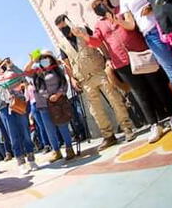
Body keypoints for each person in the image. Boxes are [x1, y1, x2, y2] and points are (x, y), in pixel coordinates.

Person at [74, 0, 172, 143]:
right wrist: (83, 36)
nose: (97, 7)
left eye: (99, 3)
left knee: (158, 85)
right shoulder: (99, 24)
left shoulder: (121, 10)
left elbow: (131, 26)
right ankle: (154, 124)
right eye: (94, 6)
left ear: (106, 0)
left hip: (140, 52)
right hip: (122, 62)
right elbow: (97, 41)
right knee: (141, 94)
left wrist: (115, 19)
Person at [110, 0, 172, 130]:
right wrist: (118, 21)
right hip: (151, 34)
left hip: (167, 22)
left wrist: (152, 5)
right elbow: (131, 24)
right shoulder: (124, 0)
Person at [55, 14, 137, 149]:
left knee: (115, 99)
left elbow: (99, 43)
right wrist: (72, 79)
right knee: (95, 110)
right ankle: (108, 136)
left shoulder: (83, 29)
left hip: (99, 70)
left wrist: (108, 58)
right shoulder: (62, 44)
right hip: (84, 78)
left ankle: (127, 128)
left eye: (64, 27)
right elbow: (67, 62)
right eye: (60, 29)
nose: (63, 30)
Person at [0, 58, 37, 174]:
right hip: (4, 108)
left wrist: (12, 65)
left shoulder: (12, 73)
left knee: (25, 132)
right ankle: (21, 162)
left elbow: (23, 76)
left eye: (0, 65)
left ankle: (31, 159)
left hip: (18, 104)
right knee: (13, 135)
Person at [25, 51, 77, 162]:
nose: (44, 60)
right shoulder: (37, 72)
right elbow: (25, 72)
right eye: (41, 58)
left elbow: (64, 84)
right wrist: (32, 61)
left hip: (58, 103)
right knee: (49, 129)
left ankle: (69, 148)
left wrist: (58, 94)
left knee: (62, 125)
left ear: (50, 59)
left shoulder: (57, 70)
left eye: (46, 58)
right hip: (43, 105)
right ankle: (56, 151)